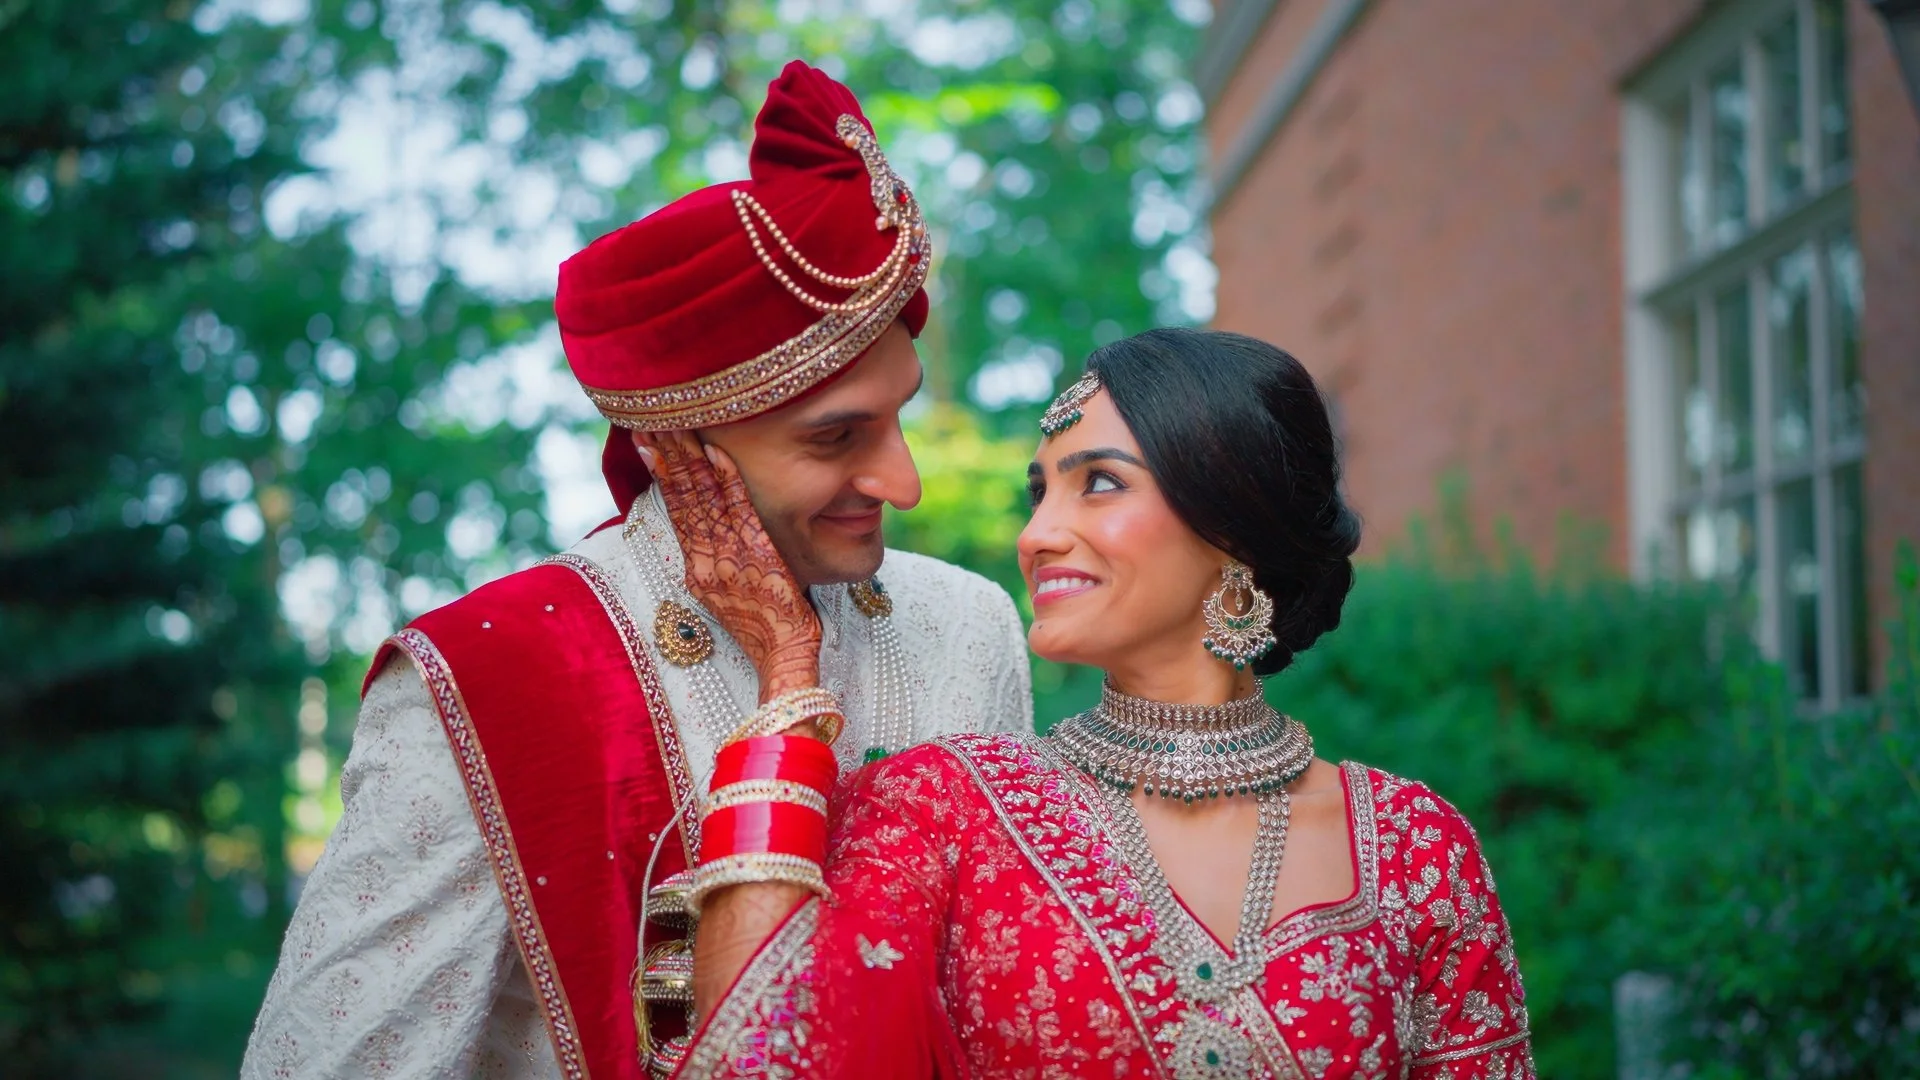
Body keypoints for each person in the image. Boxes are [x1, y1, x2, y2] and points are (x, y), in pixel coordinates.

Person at [240, 62, 1033, 1080]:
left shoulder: (965, 622)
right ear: (679, 449)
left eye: (900, 415)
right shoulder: (488, 683)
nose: (905, 482)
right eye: (838, 436)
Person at [652, 328, 1535, 1079]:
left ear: (1232, 523)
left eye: (1099, 482)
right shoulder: (944, 809)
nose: (1036, 536)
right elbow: (758, 1052)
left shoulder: (1416, 848)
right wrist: (788, 675)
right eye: (1040, 493)